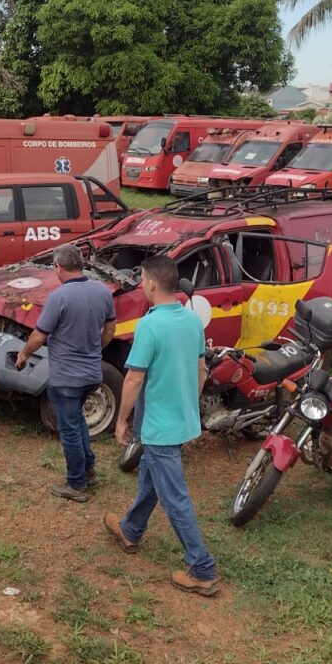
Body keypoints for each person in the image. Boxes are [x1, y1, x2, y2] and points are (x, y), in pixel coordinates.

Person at [103, 255, 218, 596]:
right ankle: (130, 530)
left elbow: (135, 378)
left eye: (141, 279)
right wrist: (189, 405)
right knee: (152, 478)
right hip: (181, 420)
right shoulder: (192, 321)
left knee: (175, 497)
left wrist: (120, 420)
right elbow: (201, 370)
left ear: (152, 283)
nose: (140, 284)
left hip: (159, 425)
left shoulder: (150, 326)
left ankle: (203, 569)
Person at [15, 244, 116, 502]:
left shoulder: (59, 297)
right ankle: (89, 470)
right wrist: (96, 348)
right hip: (92, 374)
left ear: (58, 267)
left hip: (66, 378)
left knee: (68, 429)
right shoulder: (102, 291)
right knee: (77, 421)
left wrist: (24, 354)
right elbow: (110, 329)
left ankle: (76, 484)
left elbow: (39, 336)